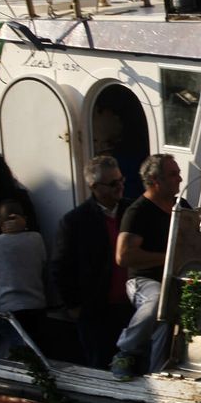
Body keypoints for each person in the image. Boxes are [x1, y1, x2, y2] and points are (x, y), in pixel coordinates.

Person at [52, 156, 133, 367]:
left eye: (121, 180)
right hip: (97, 312)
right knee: (102, 366)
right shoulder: (74, 221)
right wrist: (73, 306)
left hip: (133, 307)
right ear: (95, 187)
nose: (120, 186)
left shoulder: (133, 211)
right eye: (113, 183)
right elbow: (61, 266)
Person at [110, 153, 185, 380]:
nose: (180, 179)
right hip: (144, 281)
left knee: (167, 322)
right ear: (155, 180)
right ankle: (125, 351)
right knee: (157, 301)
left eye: (179, 173)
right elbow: (123, 256)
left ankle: (158, 374)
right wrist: (168, 257)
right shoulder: (138, 212)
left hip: (177, 280)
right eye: (173, 174)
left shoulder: (182, 207)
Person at [0, 199, 47, 342]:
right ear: (24, 219)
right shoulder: (36, 238)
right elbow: (43, 259)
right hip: (36, 305)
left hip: (8, 307)